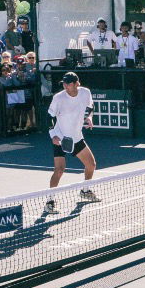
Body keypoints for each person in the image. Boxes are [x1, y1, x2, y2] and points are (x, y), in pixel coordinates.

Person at [45, 72, 100, 213]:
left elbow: (90, 107)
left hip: (76, 137)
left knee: (91, 164)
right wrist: (53, 136)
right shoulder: (58, 98)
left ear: (77, 83)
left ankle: (85, 191)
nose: (65, 85)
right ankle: (49, 202)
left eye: (68, 83)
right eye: (64, 83)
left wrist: (89, 118)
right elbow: (49, 117)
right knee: (59, 169)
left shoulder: (85, 93)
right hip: (60, 138)